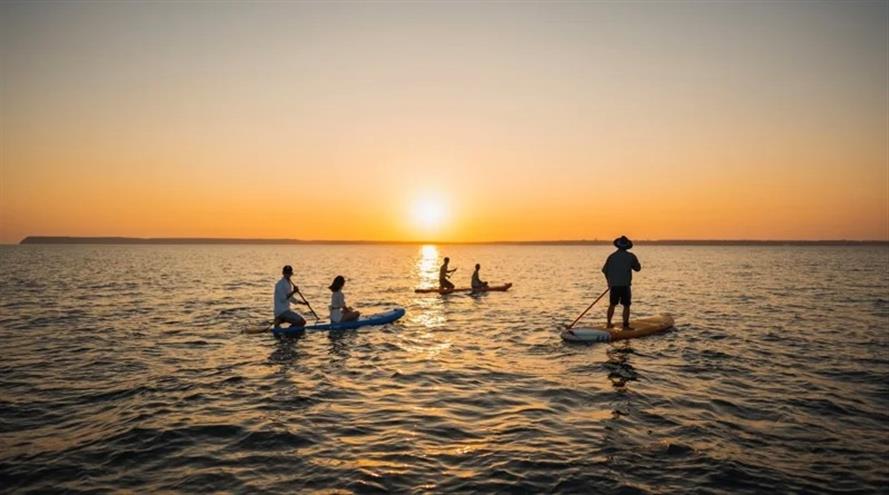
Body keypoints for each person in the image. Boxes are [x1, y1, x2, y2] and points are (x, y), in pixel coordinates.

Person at [602, 235, 641, 329]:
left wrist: (609, 282)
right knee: (626, 305)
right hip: (625, 285)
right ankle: (626, 325)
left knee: (612, 304)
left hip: (614, 285)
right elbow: (638, 268)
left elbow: (604, 270)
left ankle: (609, 323)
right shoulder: (631, 256)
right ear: (626, 246)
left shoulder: (611, 256)